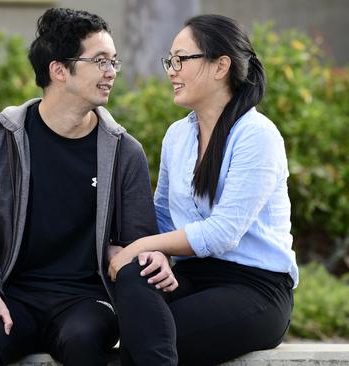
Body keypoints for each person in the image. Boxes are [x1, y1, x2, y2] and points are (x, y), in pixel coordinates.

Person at [0, 8, 177, 366]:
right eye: (101, 61)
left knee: (83, 340)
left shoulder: (124, 152)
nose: (111, 73)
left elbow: (141, 243)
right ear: (59, 70)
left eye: (114, 62)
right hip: (15, 297)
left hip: (87, 301)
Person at [109, 14, 299, 365]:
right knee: (136, 275)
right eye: (170, 60)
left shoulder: (257, 135)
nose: (171, 70)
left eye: (182, 59)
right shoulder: (177, 136)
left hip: (255, 287)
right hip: (191, 277)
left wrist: (141, 245)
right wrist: (158, 256)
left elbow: (223, 232)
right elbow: (163, 217)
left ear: (220, 66)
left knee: (150, 337)